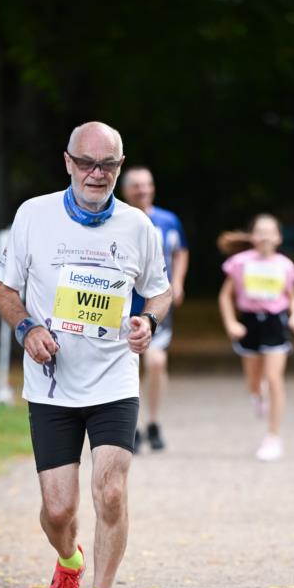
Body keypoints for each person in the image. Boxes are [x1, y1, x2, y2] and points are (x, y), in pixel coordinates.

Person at [0, 122, 171, 588]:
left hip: (114, 379)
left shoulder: (138, 226)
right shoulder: (34, 215)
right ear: (68, 162)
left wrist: (149, 321)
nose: (97, 173)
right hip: (52, 382)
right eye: (87, 162)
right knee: (58, 510)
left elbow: (159, 291)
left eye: (108, 164)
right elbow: (4, 288)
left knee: (110, 492)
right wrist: (27, 328)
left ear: (120, 166)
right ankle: (69, 560)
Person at [218, 213, 294, 461]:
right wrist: (231, 323)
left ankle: (273, 437)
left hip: (275, 322)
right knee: (254, 382)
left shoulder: (285, 265)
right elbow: (225, 296)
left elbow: (293, 297)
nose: (265, 236)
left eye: (270, 231)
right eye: (260, 231)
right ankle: (257, 395)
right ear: (252, 236)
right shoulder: (239, 262)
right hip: (250, 323)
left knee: (274, 378)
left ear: (279, 238)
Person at [121, 166, 189, 451]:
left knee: (156, 363)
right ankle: (132, 427)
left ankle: (154, 422)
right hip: (124, 303)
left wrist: (178, 282)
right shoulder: (116, 219)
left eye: (147, 184)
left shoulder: (168, 220)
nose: (143, 190)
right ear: (125, 189)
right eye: (137, 185)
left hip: (156, 303)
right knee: (127, 365)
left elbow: (180, 251)